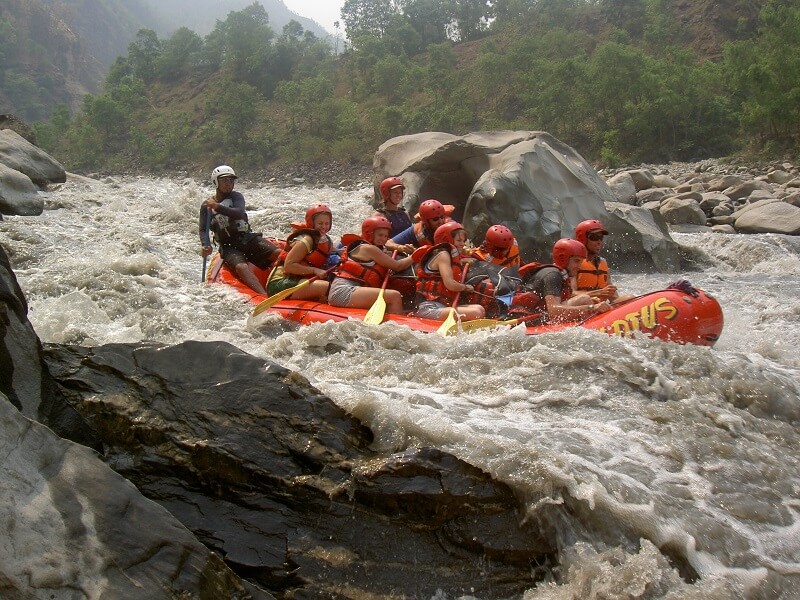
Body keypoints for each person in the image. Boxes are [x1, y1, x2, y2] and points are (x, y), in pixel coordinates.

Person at [199, 165, 280, 294]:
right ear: (216, 182)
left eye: (231, 181)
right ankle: (263, 296)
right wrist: (205, 245)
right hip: (228, 246)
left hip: (246, 238)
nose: (228, 184)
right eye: (224, 181)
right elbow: (203, 229)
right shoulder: (206, 206)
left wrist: (217, 206)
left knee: (278, 253)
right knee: (241, 267)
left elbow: (239, 213)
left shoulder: (236, 197)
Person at [328, 215, 415, 314]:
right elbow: (397, 266)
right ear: (369, 234)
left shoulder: (376, 249)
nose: (383, 239)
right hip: (343, 292)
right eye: (380, 235)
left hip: (352, 290)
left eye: (386, 236)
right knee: (394, 296)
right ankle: (397, 324)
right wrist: (415, 256)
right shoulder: (368, 248)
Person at [522, 238, 612, 323]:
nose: (579, 266)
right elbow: (553, 310)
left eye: (581, 262)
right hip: (529, 320)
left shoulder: (561, 274)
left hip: (540, 315)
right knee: (585, 299)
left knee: (586, 300)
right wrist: (592, 307)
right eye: (576, 261)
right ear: (563, 258)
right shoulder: (553, 275)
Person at [414, 221, 485, 322]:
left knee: (480, 309)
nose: (463, 244)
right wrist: (465, 287)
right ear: (447, 239)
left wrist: (463, 261)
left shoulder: (451, 257)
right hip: (427, 308)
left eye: (463, 240)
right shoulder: (443, 255)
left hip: (441, 306)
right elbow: (450, 284)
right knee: (476, 313)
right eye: (459, 240)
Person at [266, 204, 333, 301]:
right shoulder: (306, 241)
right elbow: (288, 266)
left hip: (299, 279)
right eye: (320, 223)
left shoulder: (326, 240)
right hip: (280, 282)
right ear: (311, 223)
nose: (324, 227)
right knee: (328, 287)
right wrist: (314, 270)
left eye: (327, 223)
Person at [572, 219, 632, 302]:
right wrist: (598, 293)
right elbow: (571, 294)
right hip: (583, 307)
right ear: (582, 239)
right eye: (595, 237)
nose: (599, 242)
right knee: (586, 299)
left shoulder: (603, 262)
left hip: (601, 308)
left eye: (601, 238)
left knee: (629, 298)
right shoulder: (574, 263)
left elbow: (613, 297)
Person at [386, 199, 453, 254]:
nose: (441, 221)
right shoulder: (417, 229)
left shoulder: (451, 225)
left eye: (442, 217)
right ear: (426, 221)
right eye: (435, 219)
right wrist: (400, 247)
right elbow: (388, 243)